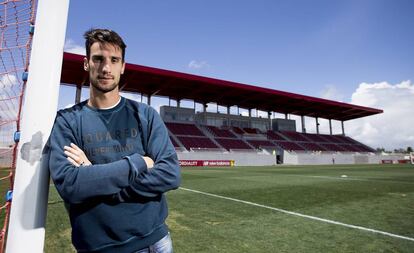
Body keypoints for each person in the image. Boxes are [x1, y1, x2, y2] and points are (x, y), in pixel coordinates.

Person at [48, 28, 181, 253]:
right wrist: (137, 164)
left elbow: (170, 174)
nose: (106, 68)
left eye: (114, 60)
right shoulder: (67, 121)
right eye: (98, 59)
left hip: (155, 243)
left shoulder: (145, 115)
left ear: (123, 66)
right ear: (86, 63)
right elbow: (71, 185)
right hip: (100, 248)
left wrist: (95, 175)